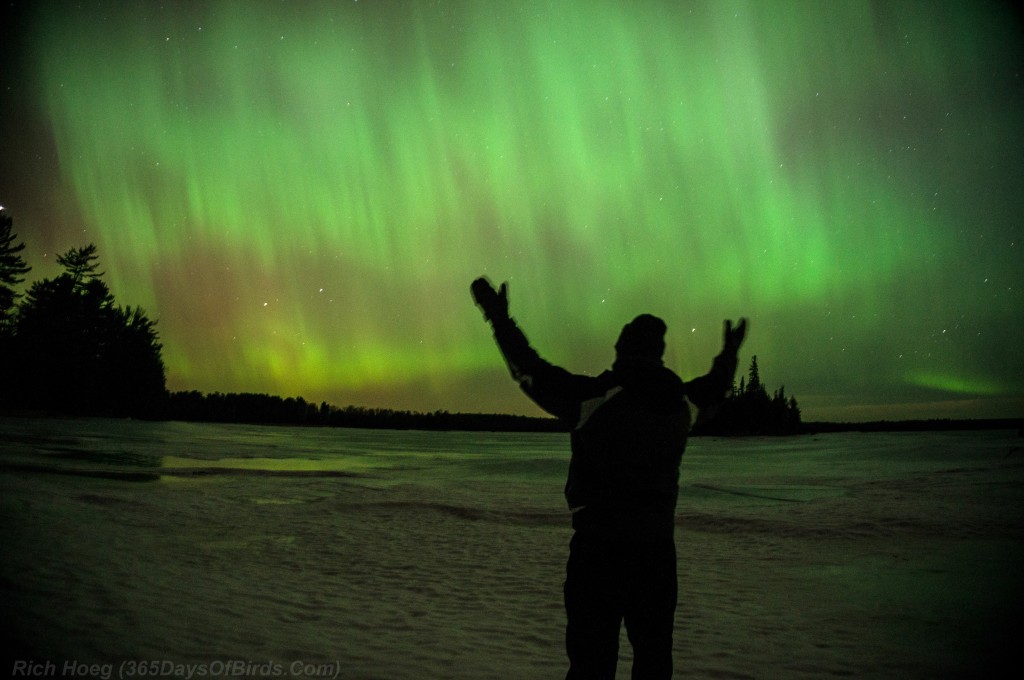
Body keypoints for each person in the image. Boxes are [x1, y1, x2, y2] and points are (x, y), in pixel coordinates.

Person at [471, 276, 746, 680]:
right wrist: (729, 353)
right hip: (656, 555)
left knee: (590, 664)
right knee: (653, 662)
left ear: (623, 352)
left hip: (598, 554)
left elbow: (529, 371)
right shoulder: (681, 404)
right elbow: (716, 387)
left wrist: (499, 319)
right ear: (659, 355)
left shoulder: (594, 399)